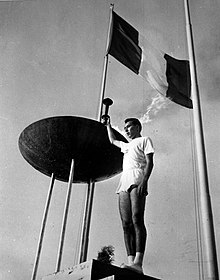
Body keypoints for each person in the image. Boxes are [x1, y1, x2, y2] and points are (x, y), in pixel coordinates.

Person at [105, 117, 154, 274]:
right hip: (124, 179)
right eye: (125, 127)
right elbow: (112, 140)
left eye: (129, 127)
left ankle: (138, 263)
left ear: (138, 127)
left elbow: (150, 162)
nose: (126, 130)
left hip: (137, 176)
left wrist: (144, 181)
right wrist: (108, 126)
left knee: (137, 218)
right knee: (126, 224)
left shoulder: (145, 140)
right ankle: (130, 262)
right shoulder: (126, 145)